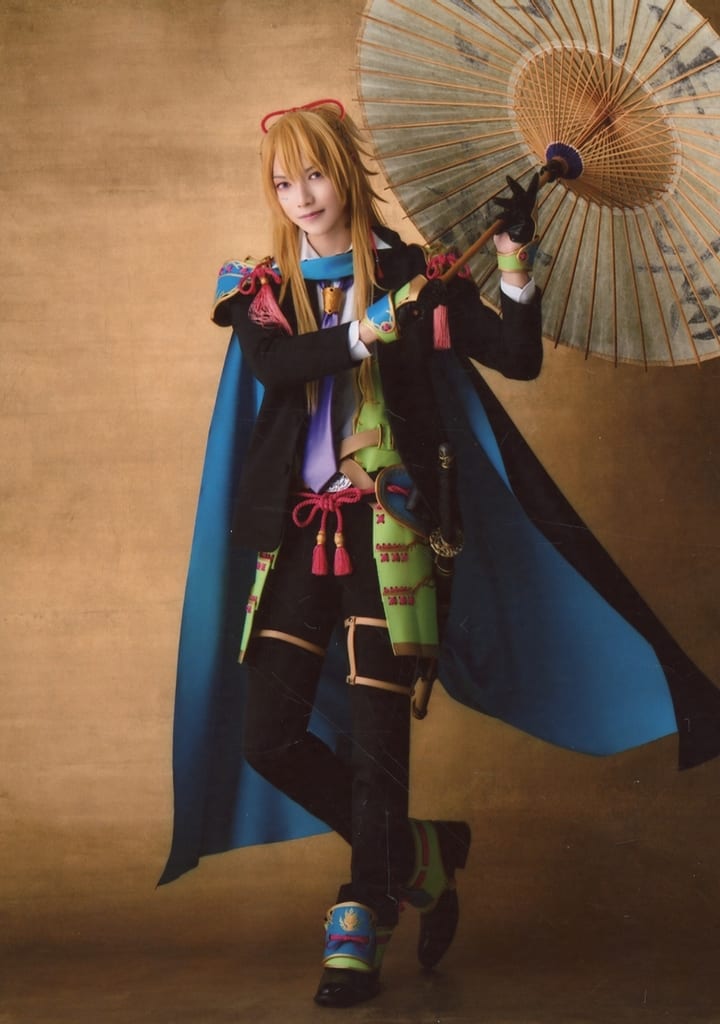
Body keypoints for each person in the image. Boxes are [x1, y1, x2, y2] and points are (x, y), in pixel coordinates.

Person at [160, 98, 720, 1009]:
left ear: (347, 173)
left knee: (380, 740)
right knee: (270, 735)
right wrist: (368, 329)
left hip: (392, 534)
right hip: (299, 537)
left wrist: (515, 260)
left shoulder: (418, 278)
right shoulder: (263, 288)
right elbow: (277, 367)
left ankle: (362, 913)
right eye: (283, 182)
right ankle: (420, 852)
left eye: (315, 174)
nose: (302, 197)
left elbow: (518, 357)